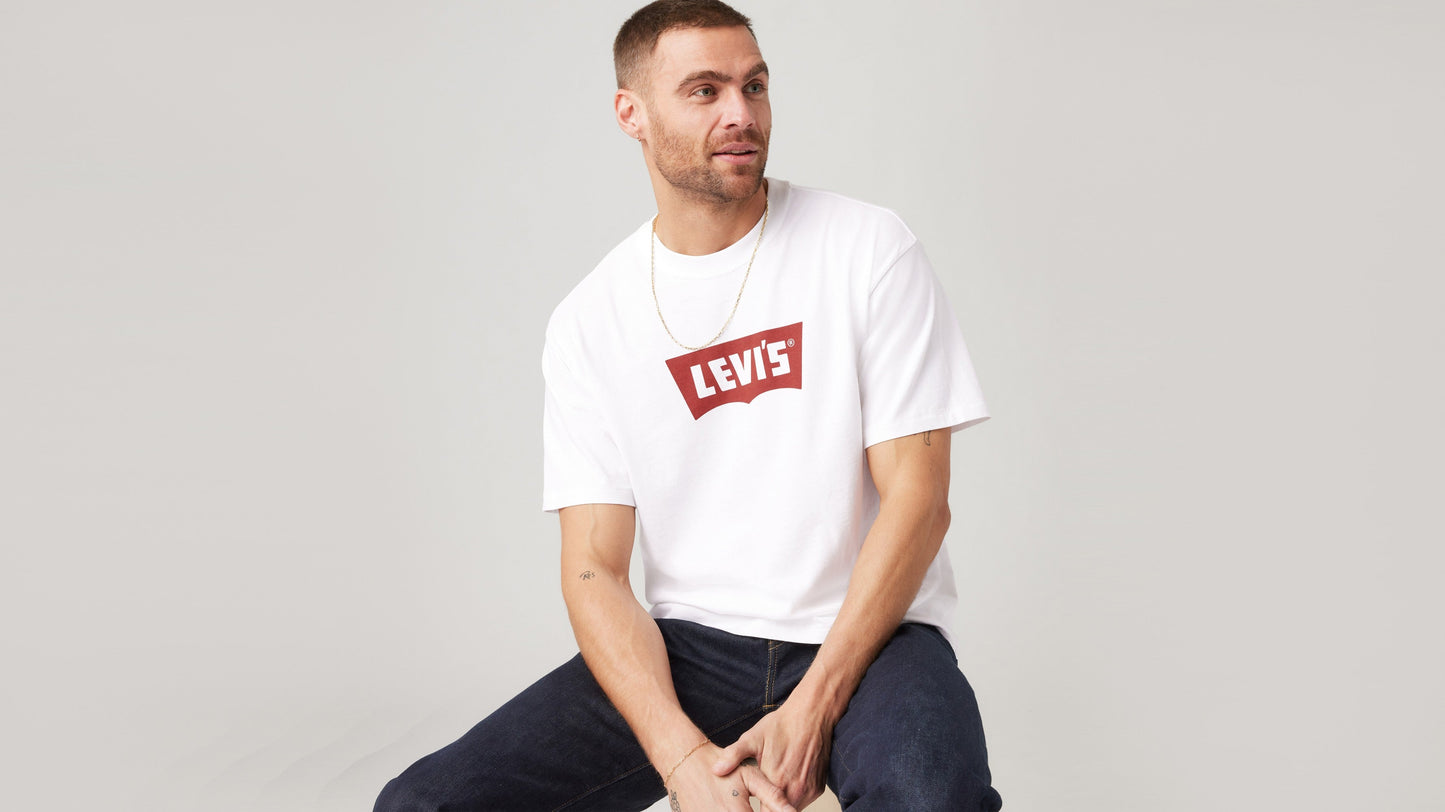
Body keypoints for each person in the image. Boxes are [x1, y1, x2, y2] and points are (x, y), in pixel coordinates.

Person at [375, 1, 1004, 809]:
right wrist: (681, 763)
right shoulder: (590, 320)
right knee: (421, 805)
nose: (740, 114)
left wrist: (814, 706)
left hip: (875, 636)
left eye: (754, 86)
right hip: (694, 652)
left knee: (930, 799)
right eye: (704, 91)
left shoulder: (866, 248)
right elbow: (594, 568)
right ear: (630, 114)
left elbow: (919, 501)